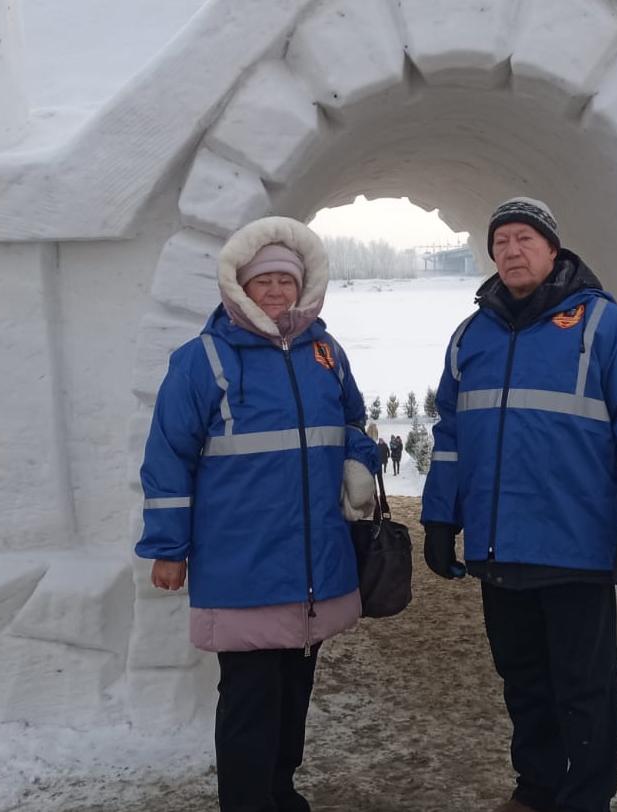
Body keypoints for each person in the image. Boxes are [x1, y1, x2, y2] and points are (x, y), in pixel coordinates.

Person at [421, 198, 617, 812]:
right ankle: (536, 789)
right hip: (497, 545)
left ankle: (585, 799)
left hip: (575, 544)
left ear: (553, 250)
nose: (511, 250)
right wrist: (439, 517)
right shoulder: (470, 336)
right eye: (500, 241)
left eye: (524, 239)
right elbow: (451, 435)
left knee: (583, 689)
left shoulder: (603, 326)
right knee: (524, 682)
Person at [136, 216, 378, 812]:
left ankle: (280, 793)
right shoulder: (204, 360)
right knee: (249, 697)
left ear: (303, 286)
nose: (275, 292)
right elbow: (168, 455)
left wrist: (357, 459)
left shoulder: (326, 352)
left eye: (285, 281)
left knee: (295, 689)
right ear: (239, 285)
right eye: (263, 280)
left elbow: (351, 422)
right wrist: (168, 548)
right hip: (241, 559)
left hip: (314, 557)